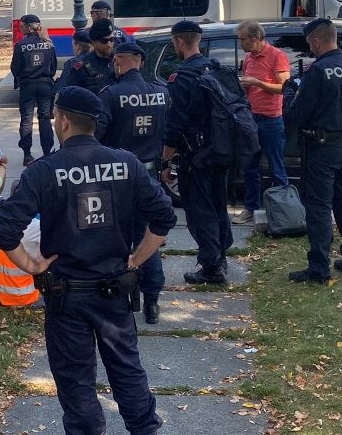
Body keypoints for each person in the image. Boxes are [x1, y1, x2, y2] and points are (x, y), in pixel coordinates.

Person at [0, 86, 176, 435]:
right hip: (114, 288)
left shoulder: (44, 170)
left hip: (67, 294)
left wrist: (31, 266)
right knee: (127, 369)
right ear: (94, 123)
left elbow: (5, 230)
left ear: (62, 121)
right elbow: (164, 217)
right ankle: (145, 429)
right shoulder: (127, 163)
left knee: (75, 381)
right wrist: (136, 259)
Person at [282, 19, 342, 283]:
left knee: (318, 206)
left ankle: (318, 268)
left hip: (321, 147)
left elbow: (296, 115)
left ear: (317, 41)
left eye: (310, 44)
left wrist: (288, 93)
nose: (311, 49)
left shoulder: (318, 71)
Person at [95, 42, 170, 323]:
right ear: (140, 62)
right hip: (148, 174)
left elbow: (97, 136)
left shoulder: (111, 95)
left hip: (115, 176)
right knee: (146, 239)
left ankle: (117, 295)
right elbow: (169, 131)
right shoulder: (161, 92)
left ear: (119, 62)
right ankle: (152, 301)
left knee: (112, 236)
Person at [160, 20, 234, 285]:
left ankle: (212, 267)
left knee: (199, 210)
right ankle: (220, 254)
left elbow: (174, 125)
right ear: (198, 40)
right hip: (222, 150)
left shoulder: (182, 77)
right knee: (218, 205)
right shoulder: (216, 69)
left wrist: (166, 162)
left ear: (179, 41)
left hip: (197, 154)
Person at [235, 20, 290, 224]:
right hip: (250, 118)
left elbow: (284, 87)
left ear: (255, 38)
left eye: (242, 39)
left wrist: (257, 82)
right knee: (250, 166)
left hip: (271, 119)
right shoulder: (249, 57)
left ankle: (282, 211)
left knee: (276, 166)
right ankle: (251, 207)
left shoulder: (277, 56)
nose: (240, 43)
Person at [10, 14, 57, 166]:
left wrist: (21, 77)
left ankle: (27, 154)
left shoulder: (21, 45)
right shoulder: (48, 43)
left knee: (26, 119)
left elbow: (15, 68)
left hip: (27, 85)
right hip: (45, 84)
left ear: (29, 27)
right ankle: (47, 152)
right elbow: (54, 66)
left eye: (22, 26)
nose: (20, 28)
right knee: (44, 120)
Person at [58, 18, 116, 93]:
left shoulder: (120, 61)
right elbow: (64, 93)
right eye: (104, 41)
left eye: (111, 39)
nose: (109, 44)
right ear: (93, 41)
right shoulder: (81, 66)